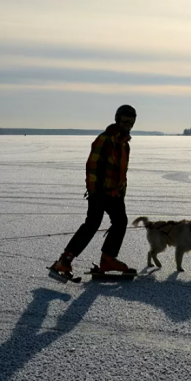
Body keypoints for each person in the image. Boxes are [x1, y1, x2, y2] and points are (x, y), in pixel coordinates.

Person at [50, 104, 137, 278]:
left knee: (120, 222)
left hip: (115, 194)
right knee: (92, 225)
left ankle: (108, 259)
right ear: (117, 119)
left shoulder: (124, 144)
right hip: (99, 192)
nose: (128, 124)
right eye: (125, 121)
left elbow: (121, 172)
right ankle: (64, 261)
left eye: (131, 122)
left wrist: (121, 191)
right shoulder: (104, 139)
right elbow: (92, 165)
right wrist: (93, 190)